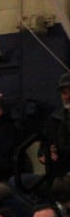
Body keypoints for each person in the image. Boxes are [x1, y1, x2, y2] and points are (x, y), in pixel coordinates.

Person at [38, 73, 70, 204]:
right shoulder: (54, 118)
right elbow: (44, 144)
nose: (68, 97)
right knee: (17, 182)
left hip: (63, 171)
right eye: (64, 93)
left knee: (58, 186)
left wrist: (59, 152)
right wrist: (44, 154)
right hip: (57, 170)